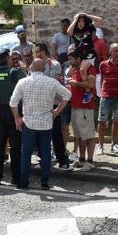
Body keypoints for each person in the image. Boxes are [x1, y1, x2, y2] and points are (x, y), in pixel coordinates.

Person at [10, 58, 71, 190]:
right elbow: (67, 95)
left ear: (31, 67)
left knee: (26, 153)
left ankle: (24, 182)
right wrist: (57, 111)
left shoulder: (23, 82)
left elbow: (13, 102)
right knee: (46, 153)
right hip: (46, 122)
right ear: (44, 69)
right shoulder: (52, 82)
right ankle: (44, 182)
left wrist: (17, 118)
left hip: (29, 122)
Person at [0, 49, 25, 184]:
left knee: (0, 146)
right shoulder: (15, 72)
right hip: (14, 112)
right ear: (7, 59)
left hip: (0, 112)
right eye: (10, 57)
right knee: (15, 146)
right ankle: (16, 177)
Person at [34, 42, 71, 171]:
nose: (36, 54)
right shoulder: (34, 65)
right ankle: (43, 158)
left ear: (43, 52)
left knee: (56, 133)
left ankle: (62, 159)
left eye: (38, 51)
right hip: (39, 103)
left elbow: (54, 84)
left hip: (52, 103)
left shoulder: (53, 64)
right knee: (40, 133)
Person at [67, 50, 97, 171]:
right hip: (76, 106)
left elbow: (91, 84)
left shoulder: (89, 68)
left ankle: (90, 161)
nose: (70, 62)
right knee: (79, 135)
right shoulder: (75, 69)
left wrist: (76, 83)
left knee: (88, 135)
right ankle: (82, 159)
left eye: (72, 59)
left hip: (85, 107)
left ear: (79, 59)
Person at [96, 43, 118, 155]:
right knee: (102, 120)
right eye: (115, 50)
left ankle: (114, 144)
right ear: (110, 52)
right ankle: (100, 145)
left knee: (116, 120)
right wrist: (101, 93)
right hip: (106, 96)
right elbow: (102, 79)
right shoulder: (103, 64)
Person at [67, 13, 103, 103]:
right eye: (79, 21)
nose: (81, 23)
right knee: (69, 73)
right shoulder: (74, 30)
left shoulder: (89, 28)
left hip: (89, 53)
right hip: (79, 54)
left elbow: (100, 20)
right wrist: (75, 19)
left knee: (83, 69)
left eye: (82, 21)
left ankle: (88, 91)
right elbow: (68, 32)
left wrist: (86, 15)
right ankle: (69, 89)